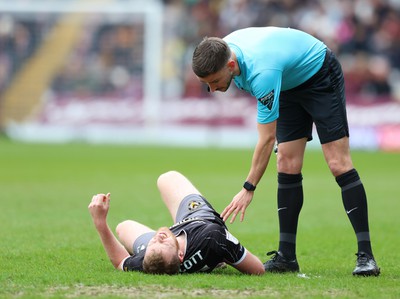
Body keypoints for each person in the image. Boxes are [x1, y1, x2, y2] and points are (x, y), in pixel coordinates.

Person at [191, 26, 380, 276]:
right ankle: (286, 257)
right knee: (287, 163)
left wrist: (248, 187)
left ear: (231, 64)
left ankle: (367, 256)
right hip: (288, 83)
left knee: (338, 163)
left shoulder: (262, 73)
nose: (212, 90)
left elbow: (267, 140)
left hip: (318, 73)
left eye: (214, 82)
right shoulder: (219, 51)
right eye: (206, 84)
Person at [88, 170, 265, 275]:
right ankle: (214, 261)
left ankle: (210, 261)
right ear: (180, 256)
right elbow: (258, 270)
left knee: (123, 227)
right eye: (163, 241)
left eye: (153, 242)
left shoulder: (150, 260)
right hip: (197, 215)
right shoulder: (212, 237)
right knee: (167, 177)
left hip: (180, 241)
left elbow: (121, 262)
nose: (158, 237)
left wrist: (100, 223)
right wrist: (225, 252)